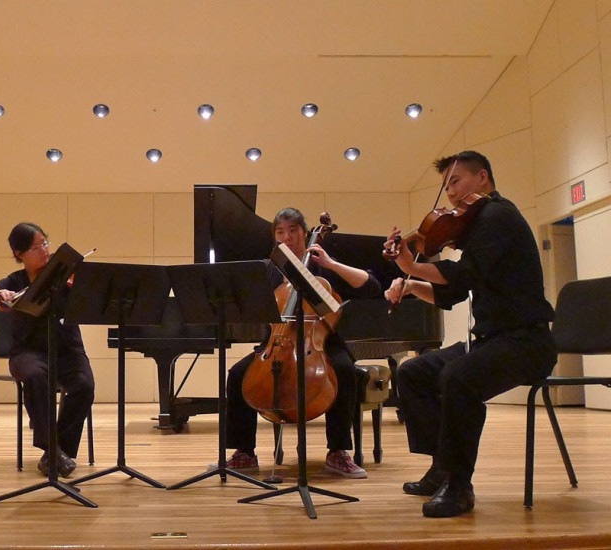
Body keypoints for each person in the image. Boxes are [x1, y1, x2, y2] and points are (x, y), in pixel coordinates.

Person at [383, 150, 556, 518]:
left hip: (527, 343)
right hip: (494, 341)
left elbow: (461, 275)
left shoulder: (498, 215)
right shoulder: (478, 225)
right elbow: (454, 292)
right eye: (446, 188)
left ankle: (459, 486)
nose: (451, 195)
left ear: (482, 177)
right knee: (413, 372)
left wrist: (413, 265)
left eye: (455, 182)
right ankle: (442, 469)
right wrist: (413, 284)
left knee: (457, 376)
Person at [221, 207, 381, 478]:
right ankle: (244, 453)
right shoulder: (270, 271)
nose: (286, 237)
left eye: (293, 230)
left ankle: (338, 452)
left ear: (305, 234)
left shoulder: (321, 263)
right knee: (237, 374)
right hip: (277, 342)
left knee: (344, 371)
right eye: (280, 232)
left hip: (321, 343)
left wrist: (332, 265)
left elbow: (372, 287)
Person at [0, 222, 95, 479]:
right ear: (19, 253)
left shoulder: (64, 277)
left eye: (46, 243)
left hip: (67, 351)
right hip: (28, 352)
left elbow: (89, 300)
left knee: (84, 385)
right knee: (37, 378)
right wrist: (0, 296)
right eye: (36, 247)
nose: (44, 250)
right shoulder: (14, 282)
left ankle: (57, 453)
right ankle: (53, 450)